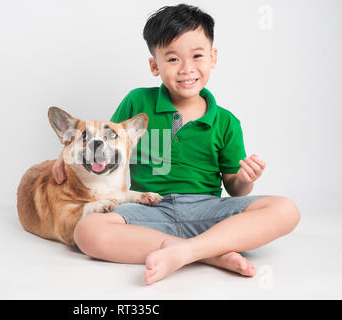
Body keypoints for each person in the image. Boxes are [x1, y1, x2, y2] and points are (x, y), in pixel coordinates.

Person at [51, 4, 300, 285]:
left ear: (213, 57)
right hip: (148, 209)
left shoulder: (227, 122)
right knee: (87, 231)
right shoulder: (137, 101)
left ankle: (189, 250)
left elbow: (235, 188)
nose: (186, 69)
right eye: (172, 59)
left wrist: (244, 179)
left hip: (207, 209)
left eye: (197, 56)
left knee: (285, 209)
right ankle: (209, 253)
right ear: (154, 66)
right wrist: (66, 155)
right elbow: (107, 145)